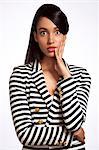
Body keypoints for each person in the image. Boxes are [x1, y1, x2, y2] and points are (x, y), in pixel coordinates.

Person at [9, 4, 91, 150]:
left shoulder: (81, 75)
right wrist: (73, 135)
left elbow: (75, 123)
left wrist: (66, 76)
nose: (51, 40)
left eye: (57, 32)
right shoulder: (20, 76)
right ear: (35, 36)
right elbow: (25, 134)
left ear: (65, 36)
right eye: (43, 33)